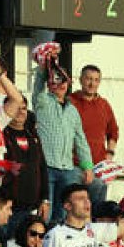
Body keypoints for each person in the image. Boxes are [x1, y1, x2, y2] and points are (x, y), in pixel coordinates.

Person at [31, 50, 94, 220]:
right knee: (46, 211)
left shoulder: (73, 110)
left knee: (65, 212)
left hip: (67, 168)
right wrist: (44, 69)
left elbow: (80, 139)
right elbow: (37, 86)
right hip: (46, 167)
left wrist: (87, 165)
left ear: (68, 84)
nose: (59, 86)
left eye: (63, 82)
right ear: (50, 84)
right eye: (55, 82)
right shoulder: (43, 101)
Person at [1, 97, 49, 224]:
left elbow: (42, 167)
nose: (21, 112)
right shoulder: (1, 134)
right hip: (8, 207)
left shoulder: (33, 135)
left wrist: (45, 199)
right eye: (17, 108)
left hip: (33, 207)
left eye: (24, 108)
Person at [68, 65, 119, 166]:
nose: (92, 84)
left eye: (96, 80)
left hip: (98, 165)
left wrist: (109, 154)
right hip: (74, 165)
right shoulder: (70, 102)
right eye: (89, 79)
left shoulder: (104, 105)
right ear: (80, 80)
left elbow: (113, 132)